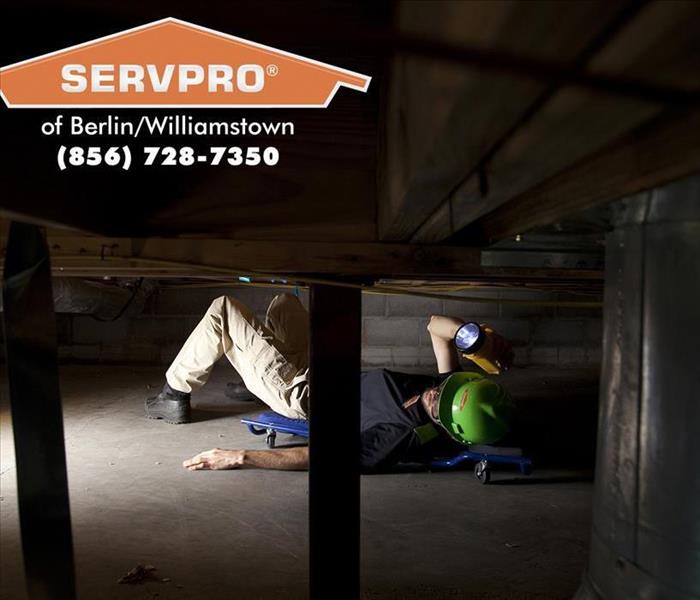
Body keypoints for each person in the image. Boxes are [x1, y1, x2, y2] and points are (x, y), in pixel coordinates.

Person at [144, 293, 515, 472]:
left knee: (223, 310)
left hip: (297, 391)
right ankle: (253, 376)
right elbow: (435, 326)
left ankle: (174, 393)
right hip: (319, 368)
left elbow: (321, 459)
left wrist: (239, 457)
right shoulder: (447, 395)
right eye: (444, 388)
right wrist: (476, 339)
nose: (434, 391)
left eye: (437, 401)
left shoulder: (398, 435)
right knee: (284, 303)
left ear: (446, 426)